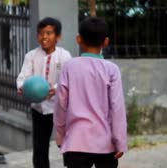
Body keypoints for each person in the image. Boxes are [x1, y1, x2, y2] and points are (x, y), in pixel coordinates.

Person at [54, 17, 128, 168]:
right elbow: (117, 108)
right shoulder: (112, 70)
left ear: (79, 39)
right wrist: (120, 141)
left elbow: (60, 105)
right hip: (105, 144)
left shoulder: (69, 67)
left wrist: (61, 137)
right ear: (106, 42)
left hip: (75, 142)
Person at [17, 17, 73, 168]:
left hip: (61, 107)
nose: (44, 37)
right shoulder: (31, 56)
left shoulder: (65, 56)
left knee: (67, 145)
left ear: (58, 36)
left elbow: (68, 78)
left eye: (49, 33)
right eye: (41, 33)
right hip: (39, 108)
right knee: (40, 147)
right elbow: (23, 76)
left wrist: (55, 88)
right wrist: (22, 86)